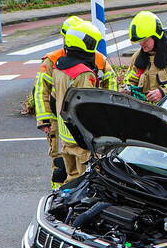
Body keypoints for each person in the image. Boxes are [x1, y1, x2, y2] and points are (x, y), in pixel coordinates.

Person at [34, 15, 111, 189]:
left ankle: (63, 195)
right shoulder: (52, 61)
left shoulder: (96, 59)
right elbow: (40, 90)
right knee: (60, 163)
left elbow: (110, 80)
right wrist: (45, 119)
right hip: (59, 121)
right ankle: (57, 193)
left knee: (69, 168)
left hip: (67, 125)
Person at [52, 20, 116, 183]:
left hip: (66, 137)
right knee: (86, 182)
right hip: (82, 138)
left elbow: (54, 98)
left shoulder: (59, 67)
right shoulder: (83, 74)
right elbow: (88, 108)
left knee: (71, 178)